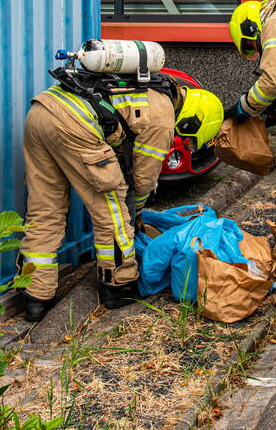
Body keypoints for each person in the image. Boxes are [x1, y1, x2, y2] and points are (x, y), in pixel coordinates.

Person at [19, 77, 224, 321]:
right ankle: (118, 285)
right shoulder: (162, 116)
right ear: (194, 121)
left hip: (42, 111)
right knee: (112, 211)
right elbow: (144, 180)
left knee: (45, 209)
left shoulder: (153, 87)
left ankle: (35, 295)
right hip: (75, 124)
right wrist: (135, 214)